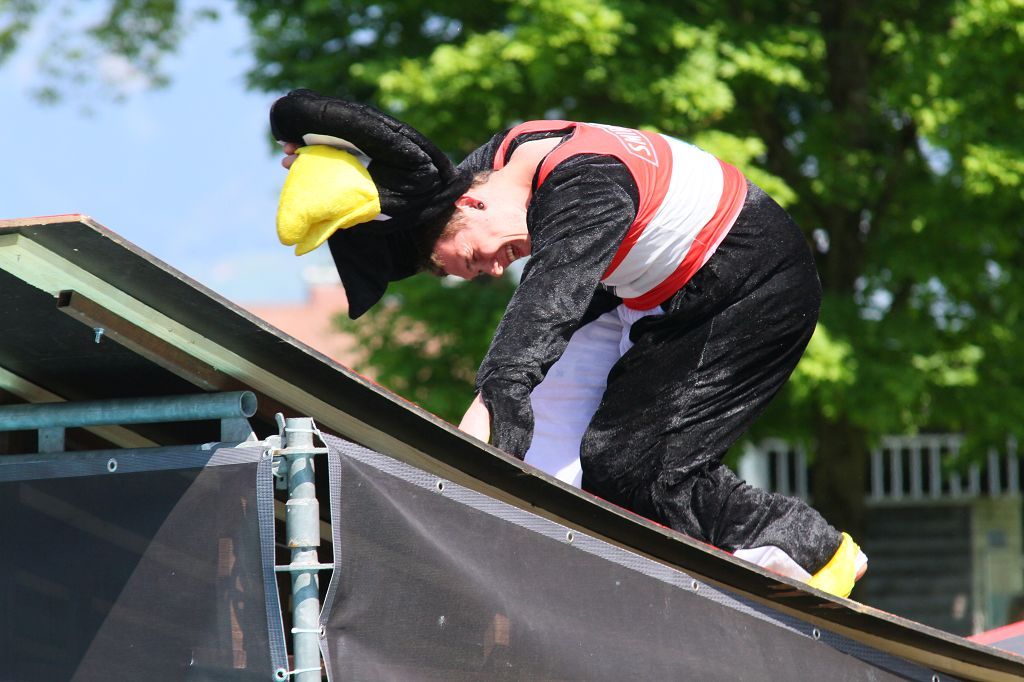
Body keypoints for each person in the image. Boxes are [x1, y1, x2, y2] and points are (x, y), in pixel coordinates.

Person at [271, 90, 867, 598]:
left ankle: (812, 550)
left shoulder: (588, 185)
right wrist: (330, 157)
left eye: (479, 258)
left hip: (751, 283)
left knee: (633, 468)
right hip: (642, 287)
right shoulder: (496, 167)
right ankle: (556, 587)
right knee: (543, 453)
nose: (496, 268)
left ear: (471, 203)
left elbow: (545, 309)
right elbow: (408, 187)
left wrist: (489, 411)